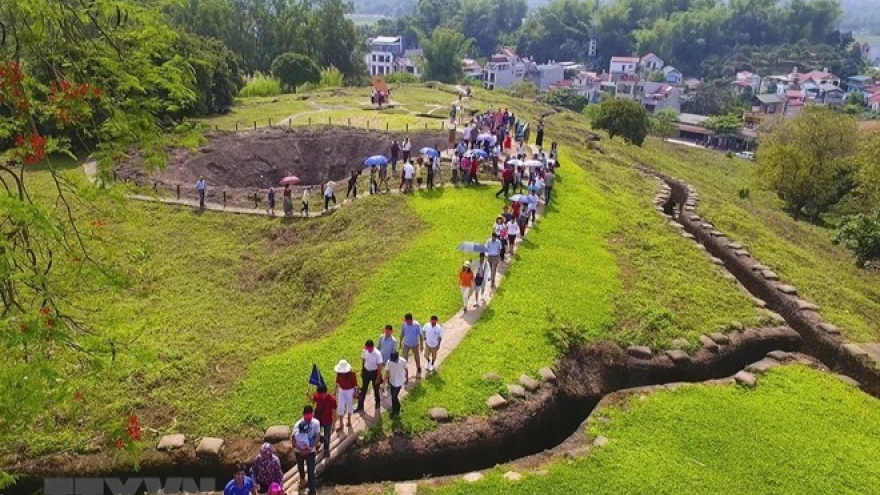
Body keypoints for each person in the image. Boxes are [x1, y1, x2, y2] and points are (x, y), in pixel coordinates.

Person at [291, 406, 321, 495]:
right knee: (300, 467)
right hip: (299, 451)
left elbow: (317, 436)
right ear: (303, 415)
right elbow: (293, 439)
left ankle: (312, 489)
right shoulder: (298, 424)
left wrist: (311, 448)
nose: (308, 419)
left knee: (311, 469)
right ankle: (302, 479)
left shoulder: (316, 423)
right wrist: (301, 450)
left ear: (313, 414)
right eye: (307, 417)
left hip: (310, 451)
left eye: (310, 416)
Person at [356, 339, 383, 412]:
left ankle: (377, 402)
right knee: (363, 389)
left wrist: (378, 377)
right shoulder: (365, 350)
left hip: (374, 373)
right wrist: (362, 370)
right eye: (367, 348)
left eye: (369, 349)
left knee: (376, 389)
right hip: (366, 372)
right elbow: (363, 360)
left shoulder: (377, 353)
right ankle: (360, 406)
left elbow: (379, 366)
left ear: (373, 346)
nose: (368, 350)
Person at [310, 384, 337, 455]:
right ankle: (317, 445)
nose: (319, 395)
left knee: (327, 435)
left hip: (327, 420)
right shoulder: (318, 396)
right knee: (315, 433)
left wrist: (333, 424)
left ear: (324, 392)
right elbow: (313, 401)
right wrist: (309, 396)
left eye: (320, 394)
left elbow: (334, 413)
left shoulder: (332, 400)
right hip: (318, 418)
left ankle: (326, 449)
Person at [333, 359, 358, 430]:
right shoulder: (339, 373)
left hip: (350, 391)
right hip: (342, 390)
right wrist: (335, 391)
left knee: (349, 405)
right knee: (340, 407)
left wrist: (355, 392)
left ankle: (349, 420)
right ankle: (341, 424)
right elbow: (337, 382)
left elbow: (355, 384)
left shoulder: (352, 374)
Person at [399, 313, 423, 378]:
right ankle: (404, 371)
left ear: (410, 319)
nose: (405, 322)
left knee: (416, 356)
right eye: (405, 320)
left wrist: (422, 345)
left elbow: (421, 335)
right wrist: (400, 342)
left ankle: (418, 367)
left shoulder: (416, 325)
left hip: (415, 344)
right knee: (404, 358)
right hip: (406, 344)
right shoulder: (404, 324)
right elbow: (402, 333)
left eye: (406, 320)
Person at [385, 351, 407, 418]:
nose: (393, 361)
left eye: (394, 360)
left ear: (398, 357)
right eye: (392, 360)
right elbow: (387, 372)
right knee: (393, 396)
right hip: (392, 381)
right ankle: (394, 410)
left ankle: (397, 409)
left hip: (400, 381)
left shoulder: (403, 361)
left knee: (394, 396)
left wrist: (407, 378)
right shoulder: (389, 362)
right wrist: (384, 382)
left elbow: (406, 369)